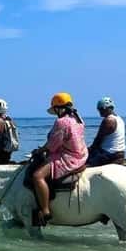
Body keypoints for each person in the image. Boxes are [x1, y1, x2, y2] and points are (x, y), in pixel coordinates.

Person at [30, 92, 88, 225]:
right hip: (81, 154)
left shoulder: (61, 122)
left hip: (69, 157)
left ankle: (45, 210)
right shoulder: (78, 118)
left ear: (57, 108)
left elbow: (53, 145)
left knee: (37, 176)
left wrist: (40, 150)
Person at [88, 96, 126, 167]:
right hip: (121, 153)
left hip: (108, 154)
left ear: (105, 108)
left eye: (100, 109)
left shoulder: (108, 120)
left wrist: (89, 150)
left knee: (84, 165)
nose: (99, 112)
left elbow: (98, 140)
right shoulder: (120, 119)